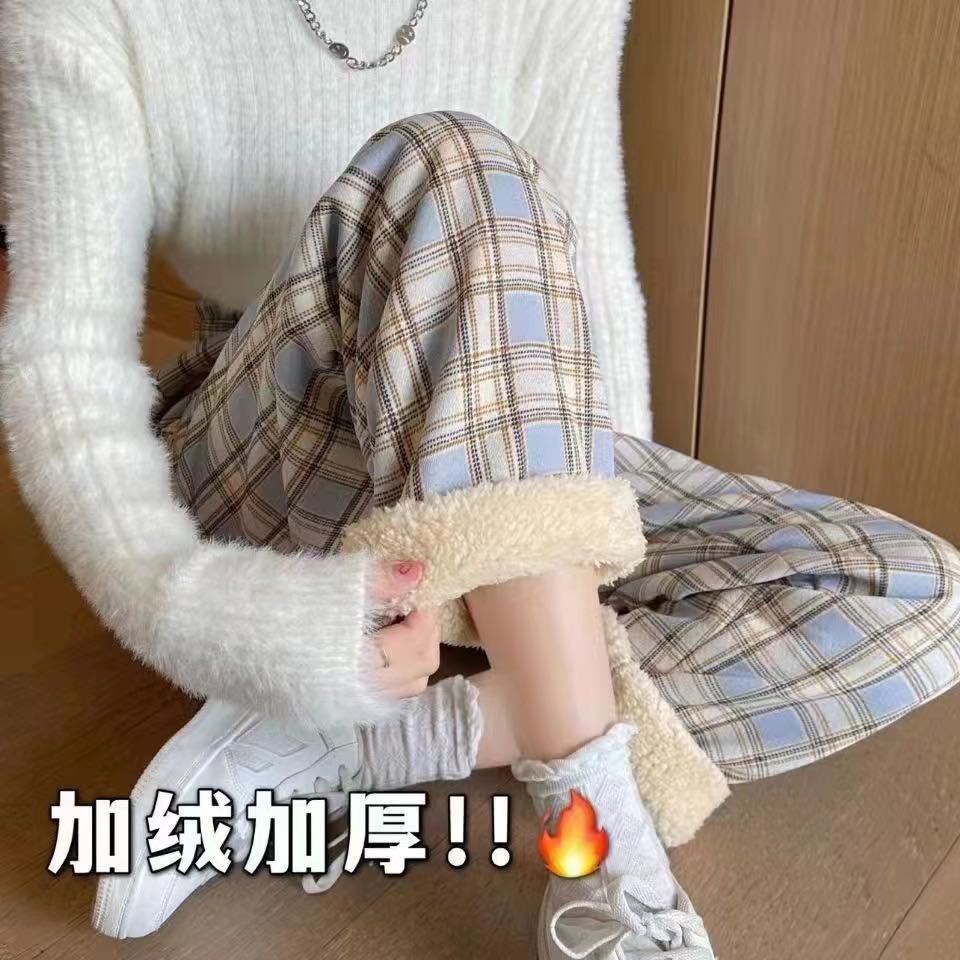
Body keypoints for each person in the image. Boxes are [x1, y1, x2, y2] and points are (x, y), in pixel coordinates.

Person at [3, 6, 959, 958]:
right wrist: (205, 611)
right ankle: (608, 866)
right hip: (274, 451)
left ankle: (360, 744)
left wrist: (573, 557)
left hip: (499, 436)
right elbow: (61, 357)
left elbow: (589, 267)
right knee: (454, 160)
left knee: (918, 592)